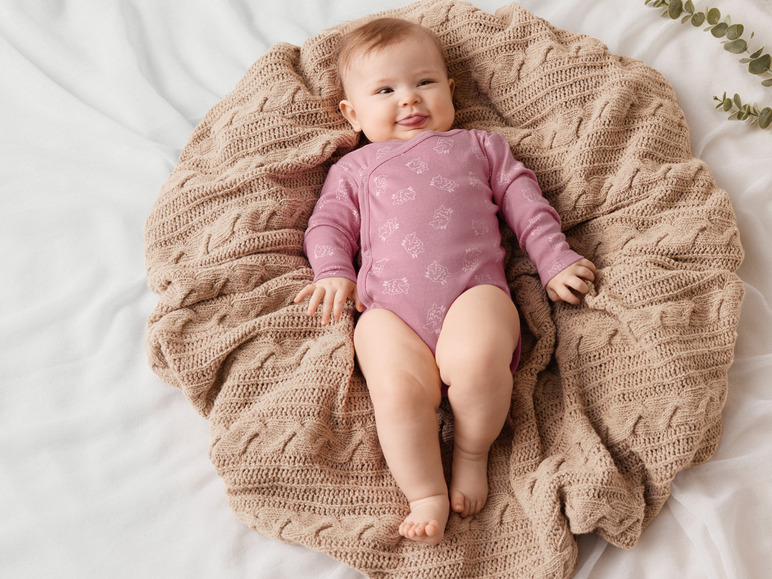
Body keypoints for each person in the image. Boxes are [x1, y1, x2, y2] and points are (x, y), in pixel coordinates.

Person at [294, 17, 597, 545]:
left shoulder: (480, 146)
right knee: (394, 391)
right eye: (385, 90)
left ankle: (472, 453)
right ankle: (424, 492)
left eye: (425, 83)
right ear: (352, 113)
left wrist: (555, 261)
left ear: (450, 91)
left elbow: (527, 206)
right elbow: (327, 225)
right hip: (389, 312)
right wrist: (334, 272)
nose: (409, 100)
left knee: (480, 361)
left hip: (472, 293)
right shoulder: (354, 168)